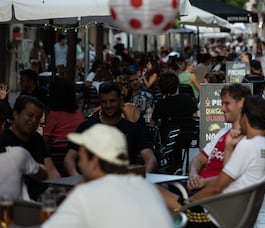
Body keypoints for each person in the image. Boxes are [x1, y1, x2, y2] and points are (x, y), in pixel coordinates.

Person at [43, 124, 174, 228]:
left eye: (81, 158)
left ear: (94, 161)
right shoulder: (144, 187)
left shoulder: (86, 196)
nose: (80, 164)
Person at [162, 95, 265, 211]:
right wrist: (228, 147)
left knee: (155, 191)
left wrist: (188, 205)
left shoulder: (247, 145)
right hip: (230, 211)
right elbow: (228, 175)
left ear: (244, 117)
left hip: (212, 211)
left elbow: (217, 187)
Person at [64, 81, 157, 176]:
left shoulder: (133, 129)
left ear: (120, 101)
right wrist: (76, 177)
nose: (108, 106)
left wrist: (143, 177)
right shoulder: (87, 127)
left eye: (112, 101)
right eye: (104, 102)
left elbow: (150, 159)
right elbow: (69, 158)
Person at [186, 83, 251, 193]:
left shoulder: (248, 138)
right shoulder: (223, 132)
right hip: (200, 185)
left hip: (213, 193)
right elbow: (199, 159)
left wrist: (204, 182)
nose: (222, 109)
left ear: (241, 103)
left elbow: (236, 176)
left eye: (227, 103)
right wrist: (193, 174)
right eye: (222, 104)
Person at [0, 95, 61, 200]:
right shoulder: (4, 140)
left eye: (38, 118)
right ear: (16, 114)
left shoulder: (37, 139)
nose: (33, 121)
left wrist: (59, 190)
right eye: (30, 115)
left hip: (42, 199)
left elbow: (51, 170)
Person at [43, 78, 84, 143]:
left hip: (56, 150)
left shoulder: (53, 115)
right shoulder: (79, 112)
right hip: (76, 149)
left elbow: (45, 138)